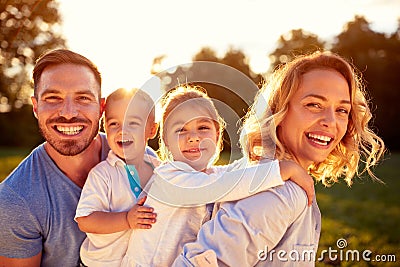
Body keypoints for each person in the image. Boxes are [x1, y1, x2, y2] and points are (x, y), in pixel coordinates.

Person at [173, 51, 386, 266]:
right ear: (280, 111)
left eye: (342, 110)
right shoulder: (280, 193)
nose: (330, 121)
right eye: (314, 105)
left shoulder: (255, 172)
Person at [121, 85, 315, 266]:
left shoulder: (209, 174)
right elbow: (223, 185)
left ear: (216, 134)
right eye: (181, 130)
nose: (194, 137)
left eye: (203, 128)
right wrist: (282, 170)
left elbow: (235, 171)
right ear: (166, 140)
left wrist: (267, 156)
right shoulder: (169, 176)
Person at [75, 88, 160, 266]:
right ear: (105, 127)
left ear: (151, 130)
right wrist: (126, 219)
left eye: (133, 123)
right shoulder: (103, 174)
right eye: (114, 124)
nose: (122, 131)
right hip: (101, 263)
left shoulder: (159, 169)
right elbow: (85, 220)